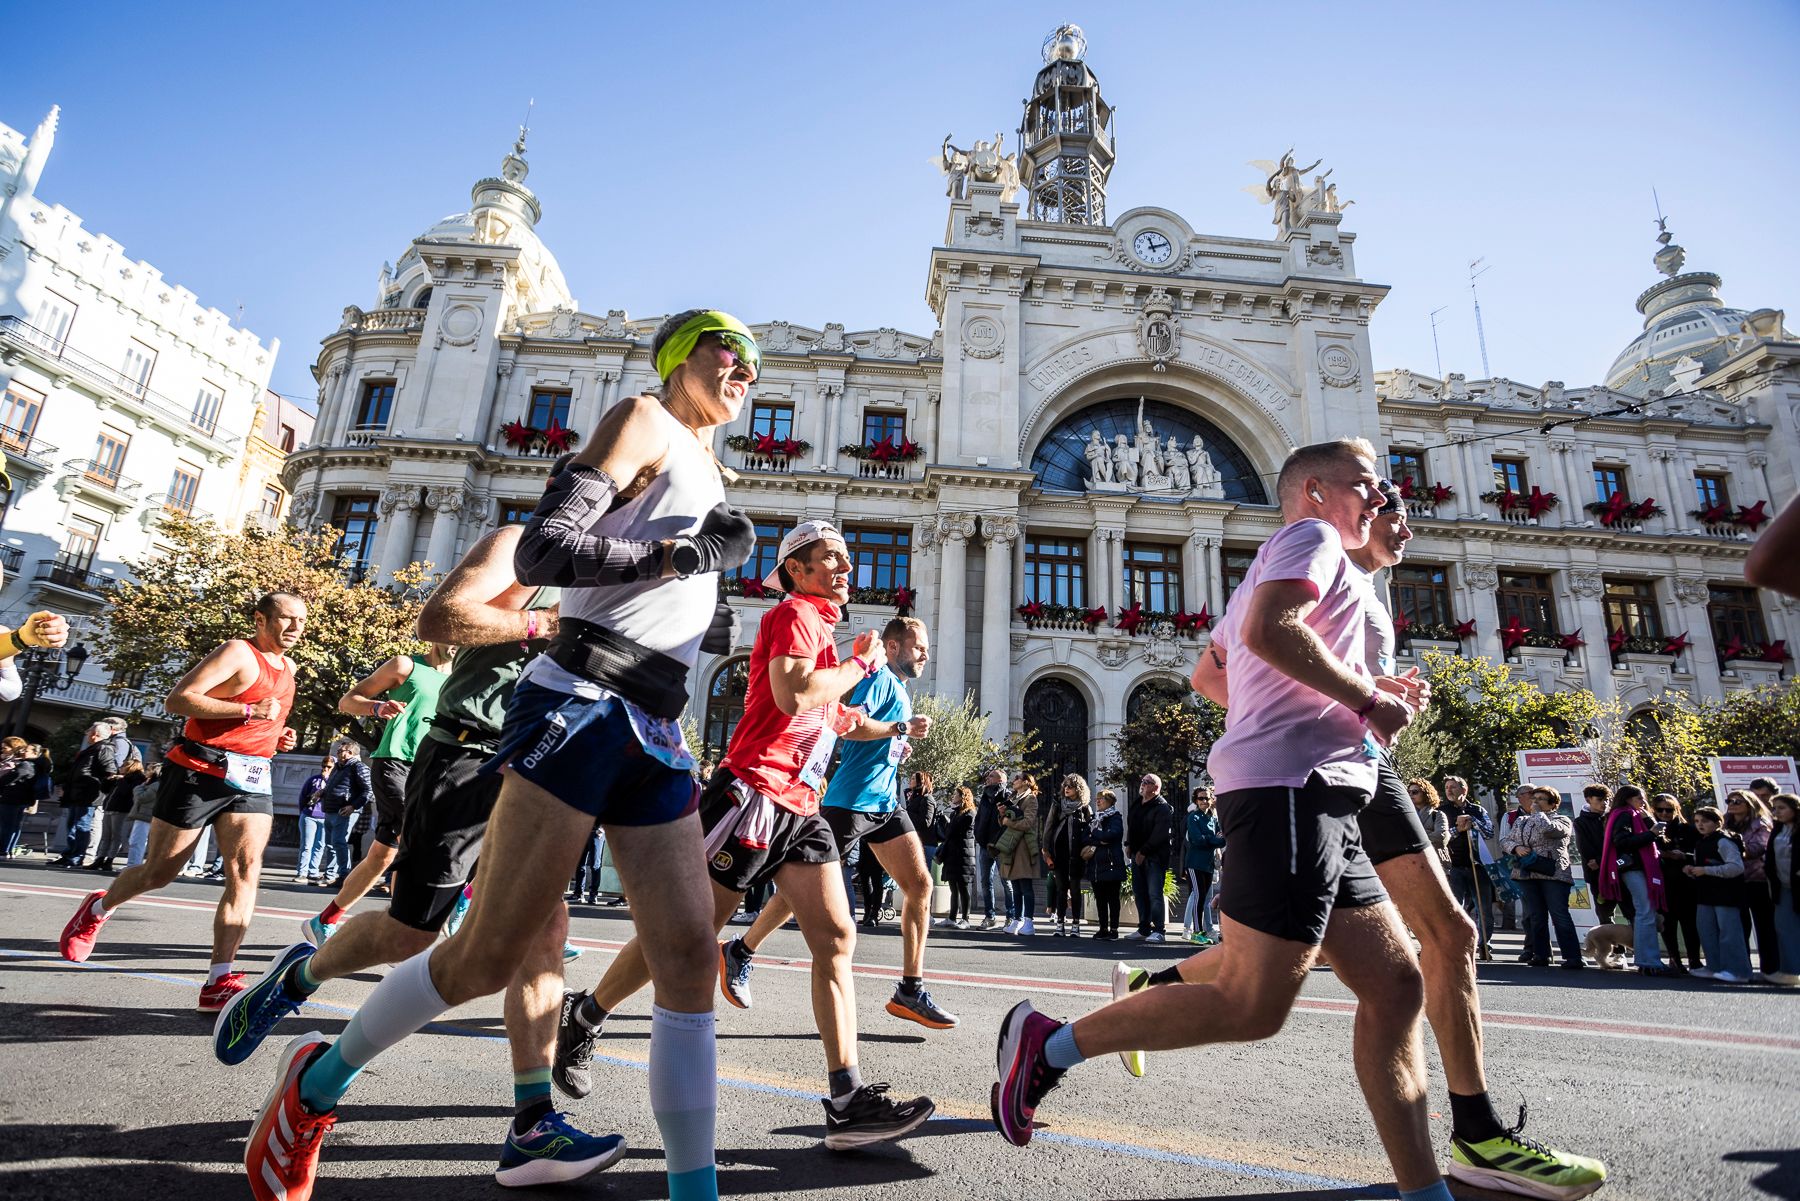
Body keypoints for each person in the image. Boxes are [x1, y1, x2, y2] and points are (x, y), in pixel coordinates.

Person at [240, 309, 765, 1201]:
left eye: (757, 364)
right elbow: (547, 547)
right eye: (731, 351)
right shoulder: (643, 418)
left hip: (659, 727)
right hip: (582, 703)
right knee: (485, 954)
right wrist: (679, 554)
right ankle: (316, 1085)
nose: (746, 370)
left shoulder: (712, 465)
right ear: (684, 357)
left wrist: (701, 581)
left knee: (686, 960)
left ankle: (693, 1190)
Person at [990, 437, 1457, 1200]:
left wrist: (1324, 700)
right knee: (1251, 1002)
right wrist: (1365, 700)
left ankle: (1422, 1190)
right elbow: (1271, 631)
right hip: (1291, 790)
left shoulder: (1300, 560)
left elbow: (1215, 672)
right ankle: (1050, 1043)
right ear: (1314, 491)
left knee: (1397, 983)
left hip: (1321, 788)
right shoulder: (1310, 539)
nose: (1383, 499)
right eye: (1367, 485)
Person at [1153, 479, 1604, 1197]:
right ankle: (1077, 1031)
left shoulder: (1356, 584)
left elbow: (1231, 671)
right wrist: (1339, 702)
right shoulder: (1314, 549)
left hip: (1356, 760)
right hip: (1320, 764)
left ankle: (1474, 1135)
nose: (1402, 525)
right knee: (1277, 979)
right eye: (1391, 508)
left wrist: (1364, 687)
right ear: (1339, 505)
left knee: (1444, 936)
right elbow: (1217, 670)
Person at [212, 497, 600, 1188]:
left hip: (547, 769)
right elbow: (442, 618)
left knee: (547, 934)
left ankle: (532, 1122)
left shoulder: (626, 579)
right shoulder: (522, 546)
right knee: (409, 935)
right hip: (468, 757)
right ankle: (297, 977)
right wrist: (546, 622)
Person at [553, 520, 936, 1153]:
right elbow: (794, 695)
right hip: (752, 795)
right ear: (795, 570)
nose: (845, 569)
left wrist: (891, 729)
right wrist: (857, 662)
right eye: (829, 560)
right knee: (690, 932)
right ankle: (585, 1014)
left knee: (836, 936)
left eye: (846, 560)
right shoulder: (793, 615)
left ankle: (845, 1100)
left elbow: (838, 715)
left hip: (802, 806)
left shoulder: (821, 628)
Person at [59, 591, 304, 1012]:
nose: (297, 627)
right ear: (261, 619)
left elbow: (265, 715)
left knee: (245, 873)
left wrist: (275, 735)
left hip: (251, 778)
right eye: (287, 619)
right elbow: (179, 699)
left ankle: (218, 979)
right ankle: (98, 907)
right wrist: (248, 714)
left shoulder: (291, 667)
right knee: (159, 872)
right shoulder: (238, 652)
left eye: (302, 620)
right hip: (197, 772)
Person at [722, 615, 951, 1027]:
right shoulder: (878, 677)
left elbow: (878, 735)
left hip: (883, 802)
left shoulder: (898, 686)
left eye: (928, 648)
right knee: (798, 892)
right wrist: (899, 728)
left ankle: (910, 989)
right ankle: (741, 950)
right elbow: (847, 726)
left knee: (920, 885)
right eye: (919, 647)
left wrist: (897, 744)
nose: (925, 654)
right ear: (894, 646)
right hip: (849, 802)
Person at [301, 644, 454, 943]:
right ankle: (402, 933)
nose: (459, 642)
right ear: (438, 632)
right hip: (395, 763)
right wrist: (376, 707)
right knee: (418, 838)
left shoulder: (464, 677)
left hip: (433, 769)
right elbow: (348, 701)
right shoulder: (405, 666)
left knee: (382, 856)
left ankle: (324, 921)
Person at [1501, 787, 1583, 969]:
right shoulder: (1521, 820)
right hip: (1528, 873)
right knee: (1536, 916)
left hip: (1553, 874)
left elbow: (1549, 830)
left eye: (1540, 799)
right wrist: (1516, 848)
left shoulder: (1562, 819)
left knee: (1559, 915)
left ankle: (1573, 957)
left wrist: (1538, 814)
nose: (1535, 802)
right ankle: (1540, 954)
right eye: (1534, 798)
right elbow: (1506, 840)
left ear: (1553, 804)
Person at [1599, 784, 1676, 976]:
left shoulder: (1633, 815)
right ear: (1628, 799)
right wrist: (1651, 833)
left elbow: (1660, 839)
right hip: (1634, 868)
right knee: (1645, 912)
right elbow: (1622, 842)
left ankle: (1646, 960)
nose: (1644, 802)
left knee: (1645, 912)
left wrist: (1649, 822)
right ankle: (1649, 961)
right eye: (1639, 798)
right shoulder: (1625, 815)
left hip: (1637, 868)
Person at [1682, 804, 1752, 984]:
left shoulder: (1724, 841)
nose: (1700, 825)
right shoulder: (1701, 842)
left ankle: (1738, 971)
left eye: (1705, 821)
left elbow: (1736, 867)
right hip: (1705, 894)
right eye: (1697, 821)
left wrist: (1705, 870)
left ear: (1717, 822)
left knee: (1729, 933)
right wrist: (1692, 870)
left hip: (1727, 895)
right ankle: (1715, 966)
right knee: (1707, 931)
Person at [55, 719, 132, 868]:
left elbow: (110, 769)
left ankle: (77, 856)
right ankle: (69, 853)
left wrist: (97, 784)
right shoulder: (92, 749)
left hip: (87, 793)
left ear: (95, 734)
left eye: (89, 731)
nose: (87, 733)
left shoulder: (103, 748)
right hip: (78, 792)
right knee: (72, 825)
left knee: (81, 825)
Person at [1725, 789, 1779, 978]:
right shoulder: (1726, 823)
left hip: (1758, 880)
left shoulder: (1760, 823)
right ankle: (1741, 968)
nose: (1732, 804)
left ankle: (1770, 969)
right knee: (1738, 927)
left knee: (1765, 926)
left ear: (1749, 803)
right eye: (1729, 800)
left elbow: (1760, 848)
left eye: (1737, 801)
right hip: (1734, 880)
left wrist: (1735, 851)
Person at [1441, 775, 1495, 960]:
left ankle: (1484, 944)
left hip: (1477, 865)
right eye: (1447, 787)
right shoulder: (1442, 811)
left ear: (1464, 790)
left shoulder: (1477, 810)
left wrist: (1472, 821)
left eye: (1453, 787)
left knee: (1484, 908)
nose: (1449, 790)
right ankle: (1457, 944)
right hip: (1453, 865)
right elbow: (1441, 837)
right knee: (1456, 907)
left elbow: (1489, 832)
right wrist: (1458, 829)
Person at [1653, 794, 1702, 974]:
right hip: (1663, 883)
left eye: (1669, 809)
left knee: (1690, 923)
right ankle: (1674, 959)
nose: (1665, 813)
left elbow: (1699, 853)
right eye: (1660, 809)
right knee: (1668, 923)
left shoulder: (1688, 829)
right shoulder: (1652, 829)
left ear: (1676, 810)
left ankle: (1694, 960)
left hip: (1687, 882)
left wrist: (1683, 856)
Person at [1123, 773, 1173, 942]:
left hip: (1154, 857)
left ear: (1155, 787)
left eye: (1147, 782)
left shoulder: (1162, 807)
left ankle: (1159, 930)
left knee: (1154, 894)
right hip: (1137, 855)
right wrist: (1129, 844)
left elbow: (1160, 834)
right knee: (1140, 892)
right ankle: (1144, 928)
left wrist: (1144, 851)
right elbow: (1131, 825)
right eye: (1142, 781)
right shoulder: (1137, 803)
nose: (1142, 784)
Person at [1043, 774, 1094, 936]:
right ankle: (1060, 923)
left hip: (1076, 855)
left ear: (1078, 789)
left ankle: (1076, 924)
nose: (1066, 789)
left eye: (1070, 786)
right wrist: (1046, 849)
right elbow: (1049, 826)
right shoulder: (1057, 805)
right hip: (1059, 853)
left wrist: (1088, 848)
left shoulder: (1085, 807)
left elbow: (1091, 829)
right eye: (1065, 786)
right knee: (1061, 889)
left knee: (1075, 888)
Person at [316, 744, 371, 888]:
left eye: (340, 751)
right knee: (331, 843)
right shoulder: (339, 767)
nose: (338, 753)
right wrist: (322, 793)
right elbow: (331, 786)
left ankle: (344, 875)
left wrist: (353, 806)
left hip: (344, 810)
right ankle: (330, 875)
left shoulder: (358, 767)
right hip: (331, 809)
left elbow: (368, 790)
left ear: (350, 753)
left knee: (338, 841)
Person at [1573, 783, 1624, 925]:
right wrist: (1598, 860)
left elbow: (1619, 843)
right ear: (1588, 799)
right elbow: (1584, 848)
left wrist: (1601, 860)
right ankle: (1613, 946)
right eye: (1600, 799)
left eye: (1607, 799)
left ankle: (1630, 944)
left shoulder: (1614, 817)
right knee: (1605, 913)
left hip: (1619, 869)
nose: (1604, 803)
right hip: (1598, 875)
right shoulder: (1581, 822)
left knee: (1629, 910)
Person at [1763, 793, 1800, 986]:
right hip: (1783, 887)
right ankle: (1791, 971)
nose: (1776, 812)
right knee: (1784, 927)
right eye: (1774, 808)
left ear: (1795, 808)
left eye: (1781, 808)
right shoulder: (1777, 829)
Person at [999, 773, 1042, 935]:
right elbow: (1005, 822)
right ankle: (1018, 920)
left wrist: (1008, 821)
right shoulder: (1014, 797)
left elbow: (1028, 822)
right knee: (1016, 885)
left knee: (1025, 885)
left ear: (1025, 782)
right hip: (1012, 845)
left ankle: (1029, 922)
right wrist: (1003, 813)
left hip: (1023, 847)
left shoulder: (1030, 799)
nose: (1013, 781)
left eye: (1017, 778)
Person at [90, 753, 147, 873]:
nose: (120, 767)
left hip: (121, 810)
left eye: (123, 766)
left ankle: (109, 860)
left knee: (116, 836)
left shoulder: (136, 779)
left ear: (130, 767)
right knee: (106, 835)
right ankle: (100, 858)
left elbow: (126, 792)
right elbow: (105, 790)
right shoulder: (121, 778)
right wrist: (108, 780)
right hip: (110, 807)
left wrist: (122, 780)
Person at [1181, 788, 1225, 945]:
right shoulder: (1193, 817)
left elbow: (1223, 840)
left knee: (1205, 898)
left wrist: (1210, 839)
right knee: (1198, 896)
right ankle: (1196, 932)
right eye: (1200, 799)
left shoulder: (1213, 818)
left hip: (1208, 863)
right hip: (1195, 863)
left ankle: (1203, 930)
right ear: (1195, 800)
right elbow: (1197, 839)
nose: (1204, 801)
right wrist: (1213, 838)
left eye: (1206, 798)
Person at [1085, 788, 1128, 940]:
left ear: (1109, 801)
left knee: (1113, 899)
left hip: (1111, 865)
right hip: (1096, 865)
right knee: (1100, 899)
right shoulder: (1094, 818)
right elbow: (1087, 837)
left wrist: (1095, 834)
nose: (1097, 801)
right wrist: (1099, 838)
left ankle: (1114, 930)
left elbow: (1112, 835)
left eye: (1101, 799)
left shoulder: (1115, 817)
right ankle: (1103, 928)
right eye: (1096, 799)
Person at [973, 768, 1012, 928]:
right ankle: (990, 917)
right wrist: (978, 834)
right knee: (985, 881)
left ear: (1000, 780)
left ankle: (1011, 916)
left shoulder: (1007, 796)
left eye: (991, 776)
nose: (987, 779)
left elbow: (1010, 819)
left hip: (1001, 846)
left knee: (1006, 881)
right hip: (984, 845)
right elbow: (980, 817)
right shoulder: (984, 796)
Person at [937, 786, 978, 928]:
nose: (953, 796)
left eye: (955, 794)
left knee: (963, 888)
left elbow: (953, 831)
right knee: (953, 887)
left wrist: (946, 822)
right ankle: (951, 917)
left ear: (963, 797)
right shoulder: (956, 813)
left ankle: (965, 919)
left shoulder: (970, 814)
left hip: (963, 856)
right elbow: (948, 832)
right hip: (952, 855)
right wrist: (944, 820)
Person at [0, 736, 39, 858]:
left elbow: (9, 778)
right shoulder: (23, 763)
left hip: (12, 797)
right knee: (12, 825)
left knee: (8, 825)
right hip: (15, 797)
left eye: (5, 748)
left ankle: (4, 850)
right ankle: (8, 850)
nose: (2, 750)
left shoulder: (24, 764)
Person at [294, 759, 329, 883]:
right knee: (306, 845)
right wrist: (303, 811)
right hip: (310, 815)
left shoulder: (334, 781)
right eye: (324, 766)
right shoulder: (313, 780)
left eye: (329, 767)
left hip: (325, 818)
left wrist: (327, 780)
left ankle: (313, 871)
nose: (325, 769)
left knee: (320, 845)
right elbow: (303, 796)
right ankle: (302, 872)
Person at [125, 763, 161, 868]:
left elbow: (142, 798)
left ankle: (133, 865)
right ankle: (134, 864)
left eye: (149, 770)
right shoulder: (153, 784)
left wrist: (138, 788)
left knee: (137, 841)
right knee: (139, 842)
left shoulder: (155, 785)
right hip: (146, 815)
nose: (146, 772)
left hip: (144, 816)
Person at [905, 770, 938, 880]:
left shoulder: (927, 799)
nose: (910, 780)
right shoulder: (914, 798)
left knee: (922, 879)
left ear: (921, 782)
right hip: (915, 843)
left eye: (914, 778)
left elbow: (926, 822)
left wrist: (906, 813)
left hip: (925, 843)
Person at [1408, 779, 1449, 864]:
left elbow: (1440, 838)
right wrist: (1429, 833)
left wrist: (1413, 836)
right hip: (1414, 863)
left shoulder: (1438, 815)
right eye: (1409, 792)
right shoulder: (1407, 816)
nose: (1411, 794)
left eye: (1415, 792)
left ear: (1426, 793)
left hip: (1438, 862)